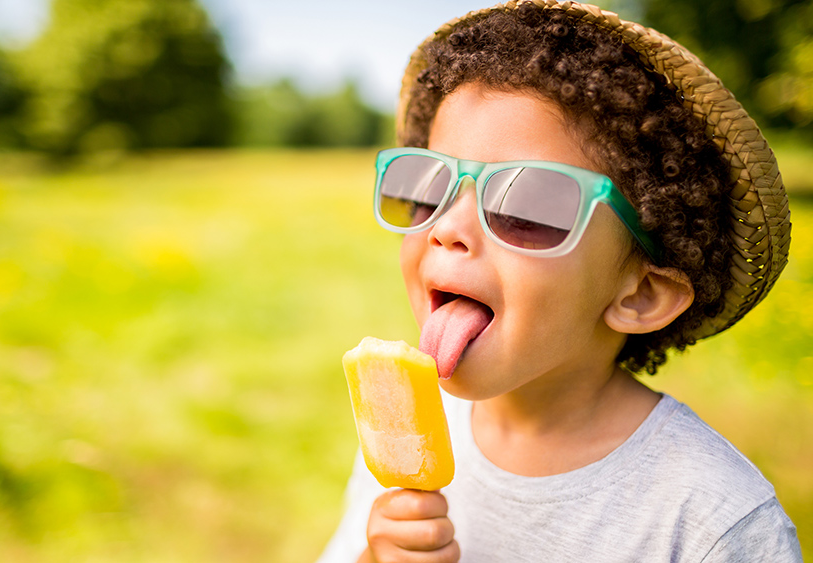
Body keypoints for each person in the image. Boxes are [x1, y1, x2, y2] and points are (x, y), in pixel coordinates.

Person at [316, 1, 802, 561]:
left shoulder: (711, 522)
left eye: (527, 206)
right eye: (429, 187)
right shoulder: (407, 429)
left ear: (641, 294)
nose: (446, 227)